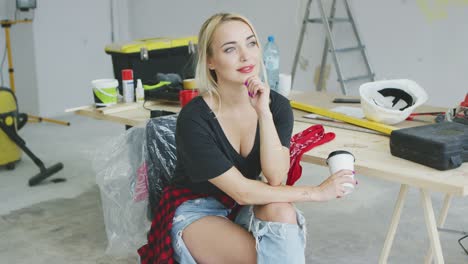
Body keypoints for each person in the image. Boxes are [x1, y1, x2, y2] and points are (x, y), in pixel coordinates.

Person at [140, 13, 357, 264]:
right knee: (262, 257)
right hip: (196, 208)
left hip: (241, 206)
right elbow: (242, 191)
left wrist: (263, 113)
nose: (246, 56)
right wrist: (317, 192)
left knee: (282, 211)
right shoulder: (194, 117)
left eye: (251, 43)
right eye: (230, 49)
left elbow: (276, 178)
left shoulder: (276, 106)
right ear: (210, 61)